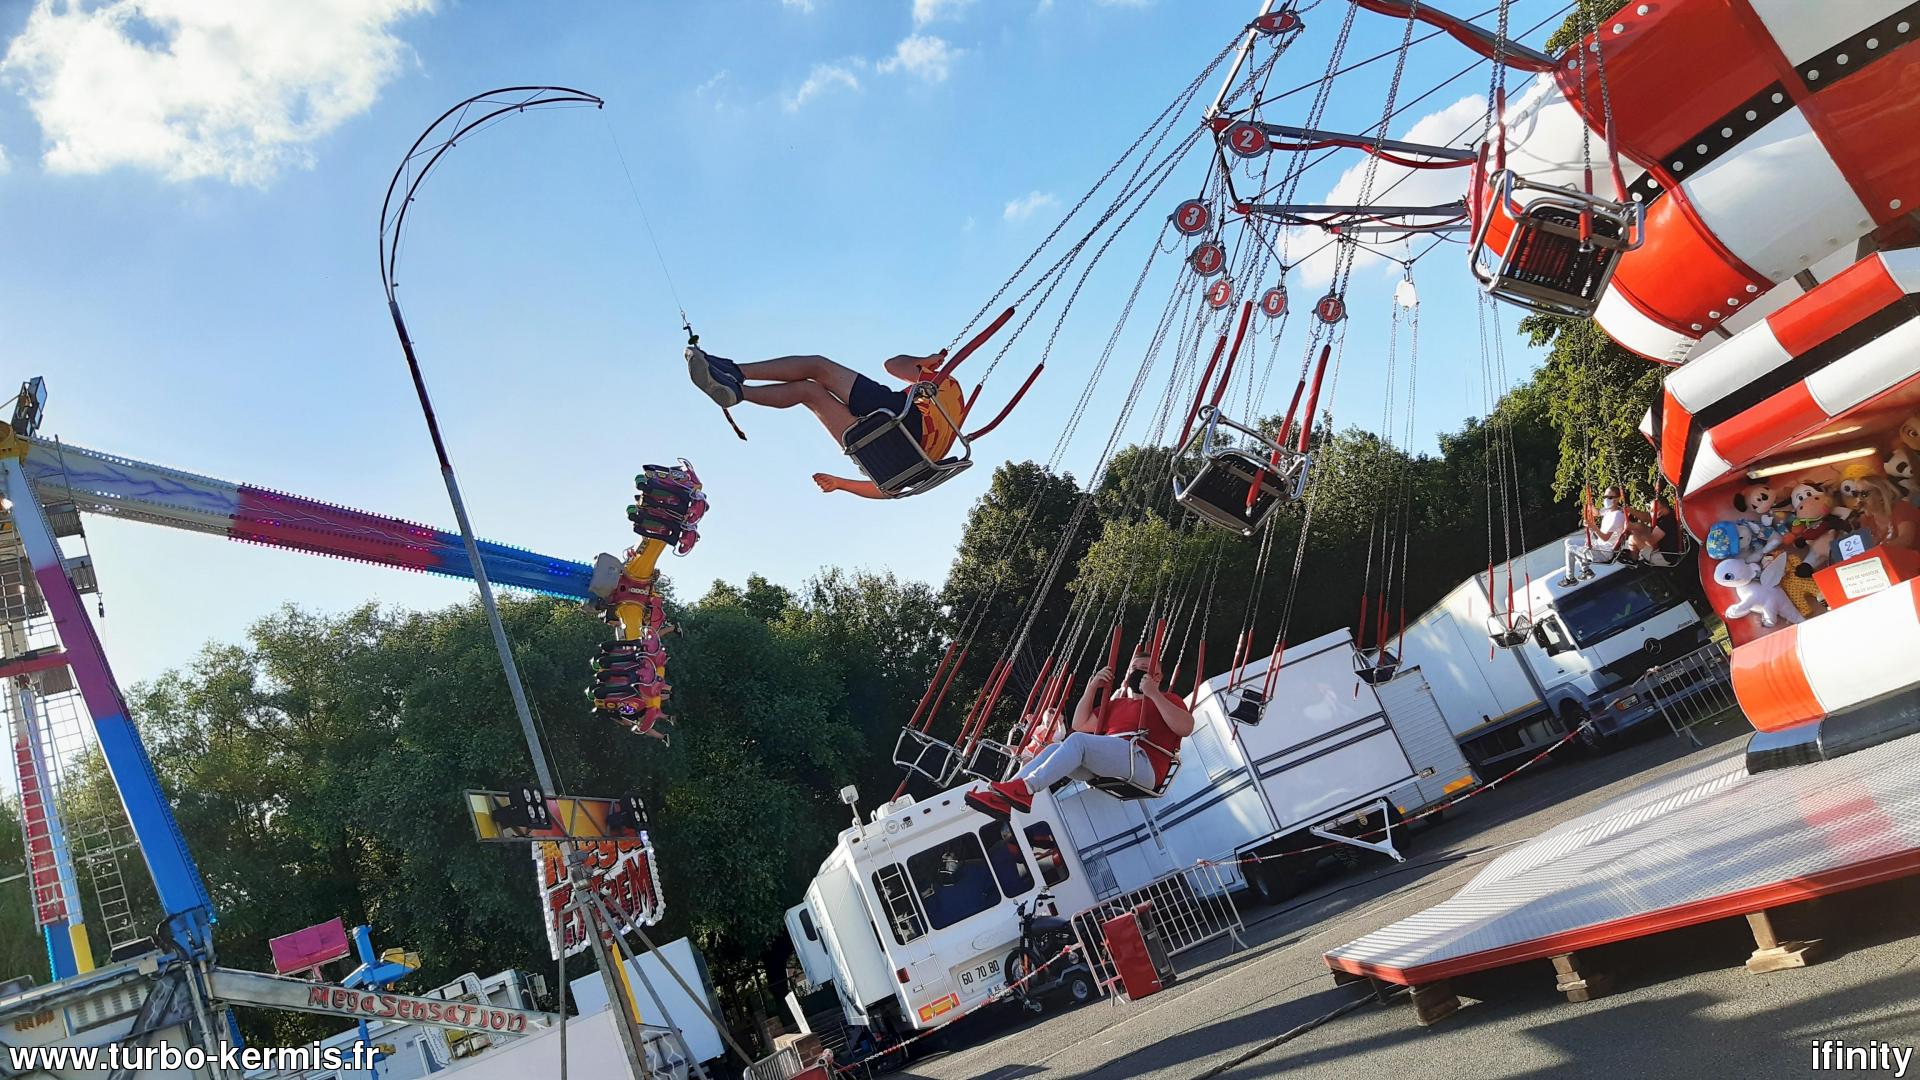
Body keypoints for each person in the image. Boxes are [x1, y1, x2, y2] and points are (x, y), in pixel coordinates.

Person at [686, 344, 967, 498]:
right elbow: (888, 489)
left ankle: (733, 370)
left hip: (904, 421)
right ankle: (737, 393)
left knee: (818, 367)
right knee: (807, 392)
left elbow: (893, 364)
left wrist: (925, 360)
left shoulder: (942, 385)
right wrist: (841, 484)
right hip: (888, 453)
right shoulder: (927, 453)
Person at [965, 653, 1195, 820]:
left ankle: (1024, 790)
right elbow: (1080, 724)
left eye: (1145, 668)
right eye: (1135, 667)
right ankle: (1004, 796)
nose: (1139, 672)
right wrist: (1092, 686)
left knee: (1077, 742)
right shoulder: (1116, 705)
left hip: (1142, 765)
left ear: (1157, 676)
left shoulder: (1168, 700)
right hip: (1111, 765)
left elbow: (1184, 727)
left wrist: (1153, 694)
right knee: (1054, 748)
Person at [1560, 485, 1630, 586]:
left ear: (1618, 498)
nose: (1607, 500)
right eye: (1605, 497)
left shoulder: (1617, 516)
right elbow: (1597, 513)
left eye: (1610, 497)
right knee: (1568, 542)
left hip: (1604, 552)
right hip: (1598, 545)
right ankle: (1586, 571)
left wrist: (1593, 527)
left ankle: (1569, 578)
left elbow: (1605, 538)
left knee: (1570, 549)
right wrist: (1589, 502)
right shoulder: (1609, 510)